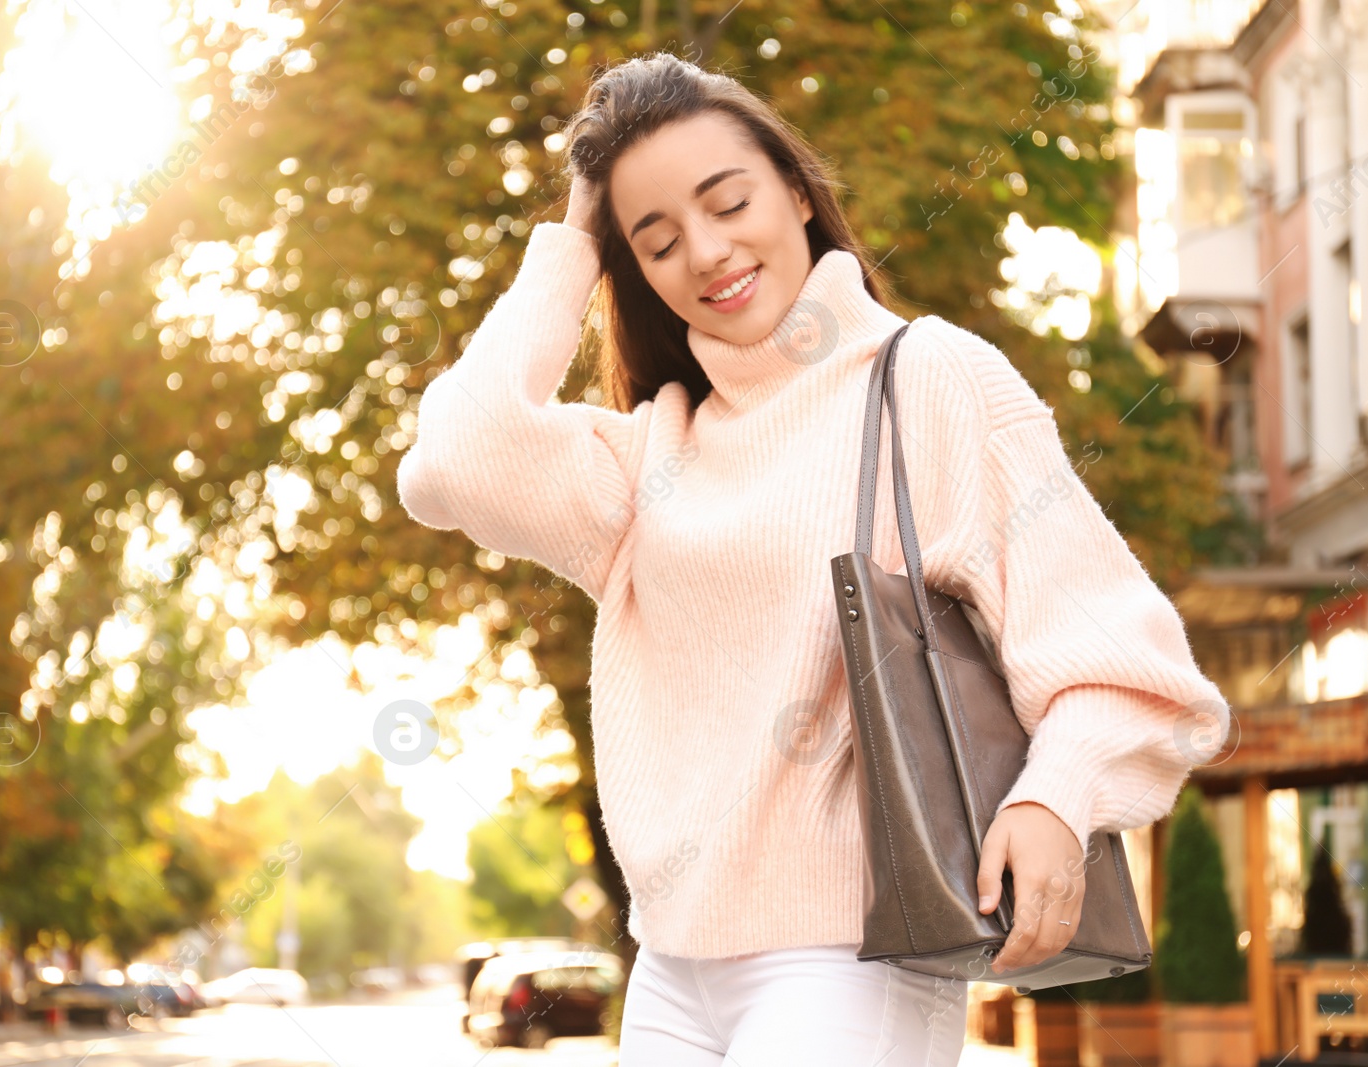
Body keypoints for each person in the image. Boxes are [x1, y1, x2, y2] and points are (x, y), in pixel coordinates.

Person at [396, 52, 1227, 1066]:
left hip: (851, 957)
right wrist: (576, 233)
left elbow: (1125, 661)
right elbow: (457, 457)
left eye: (726, 201)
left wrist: (1057, 795)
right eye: (655, 241)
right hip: (669, 965)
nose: (703, 251)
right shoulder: (652, 452)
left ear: (794, 189)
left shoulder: (930, 379)